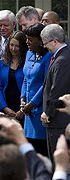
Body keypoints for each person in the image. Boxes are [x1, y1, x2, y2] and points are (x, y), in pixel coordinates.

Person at [18, 23, 52, 156]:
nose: (27, 42)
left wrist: (32, 104)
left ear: (40, 40)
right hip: (27, 113)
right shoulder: (28, 54)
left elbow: (46, 84)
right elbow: (26, 79)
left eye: (31, 40)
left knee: (41, 152)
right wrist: (22, 99)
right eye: (27, 39)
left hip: (39, 111)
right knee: (29, 151)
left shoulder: (48, 56)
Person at [41, 24, 70, 162]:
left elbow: (58, 90)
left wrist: (48, 111)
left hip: (58, 120)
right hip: (57, 120)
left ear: (54, 41)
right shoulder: (61, 57)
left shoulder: (63, 60)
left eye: (45, 43)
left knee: (57, 161)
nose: (45, 47)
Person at [0, 31, 27, 118]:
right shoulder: (3, 61)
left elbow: (28, 86)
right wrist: (4, 107)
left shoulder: (27, 62)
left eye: (17, 46)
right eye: (11, 45)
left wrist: (22, 109)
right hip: (6, 107)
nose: (13, 48)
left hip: (23, 107)